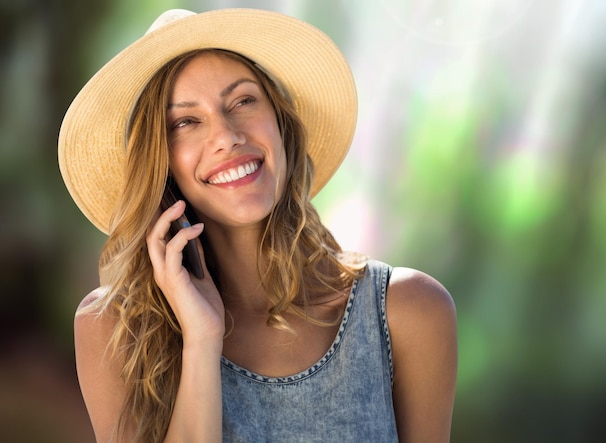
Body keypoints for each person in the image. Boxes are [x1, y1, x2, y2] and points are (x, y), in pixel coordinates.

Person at [59, 8, 457, 443]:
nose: (227, 135)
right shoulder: (114, 329)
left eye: (243, 101)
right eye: (186, 122)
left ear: (281, 126)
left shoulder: (409, 311)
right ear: (162, 164)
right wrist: (202, 338)